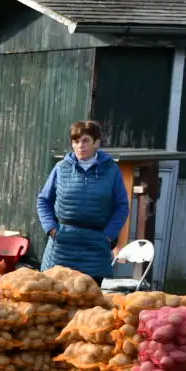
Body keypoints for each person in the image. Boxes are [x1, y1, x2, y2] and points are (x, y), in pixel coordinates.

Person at [36, 120, 129, 281]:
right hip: (63, 245)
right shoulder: (61, 168)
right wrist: (51, 229)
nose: (80, 146)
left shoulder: (111, 170)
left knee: (91, 301)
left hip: (96, 246)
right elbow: (43, 201)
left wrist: (108, 235)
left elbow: (121, 206)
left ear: (97, 143)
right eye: (76, 141)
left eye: (85, 141)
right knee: (55, 299)